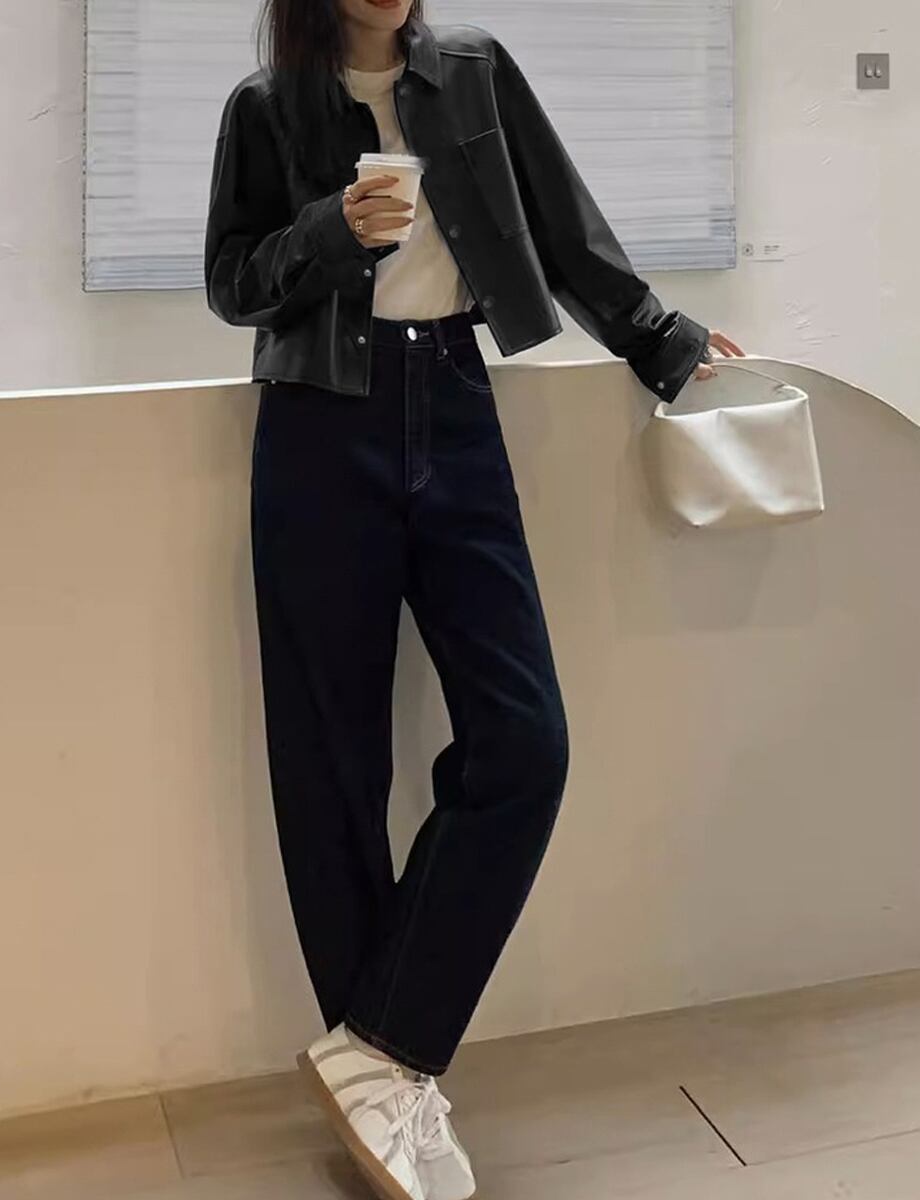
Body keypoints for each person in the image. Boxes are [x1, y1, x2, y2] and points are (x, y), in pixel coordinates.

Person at [205, 2, 744, 1198]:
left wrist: (658, 336)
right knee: (331, 766)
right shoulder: (267, 106)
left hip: (452, 398)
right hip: (317, 427)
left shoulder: (473, 71)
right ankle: (391, 1088)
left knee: (524, 741)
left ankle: (384, 1045)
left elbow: (558, 220)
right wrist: (331, 232)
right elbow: (232, 283)